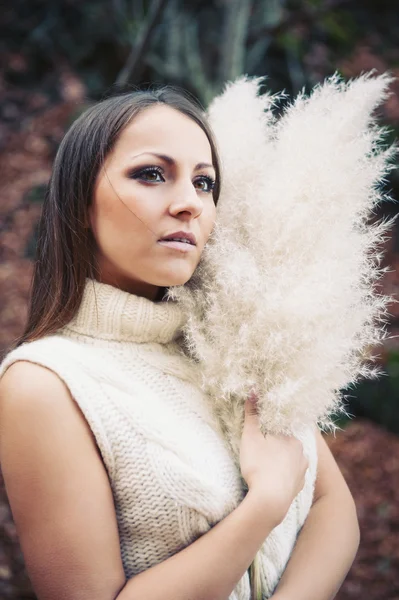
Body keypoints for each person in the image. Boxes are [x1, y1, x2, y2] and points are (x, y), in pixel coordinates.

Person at [0, 86, 360, 600]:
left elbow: (334, 508)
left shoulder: (235, 336)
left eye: (204, 182)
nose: (189, 203)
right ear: (80, 201)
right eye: (151, 173)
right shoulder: (46, 382)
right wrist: (266, 504)